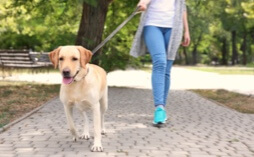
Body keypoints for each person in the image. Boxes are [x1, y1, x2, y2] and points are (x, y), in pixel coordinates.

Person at [130, 0, 190, 125]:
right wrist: (143, 3)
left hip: (174, 28)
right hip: (152, 24)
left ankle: (162, 108)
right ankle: (159, 107)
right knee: (160, 62)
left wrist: (186, 30)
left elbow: (182, 7)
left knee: (166, 70)